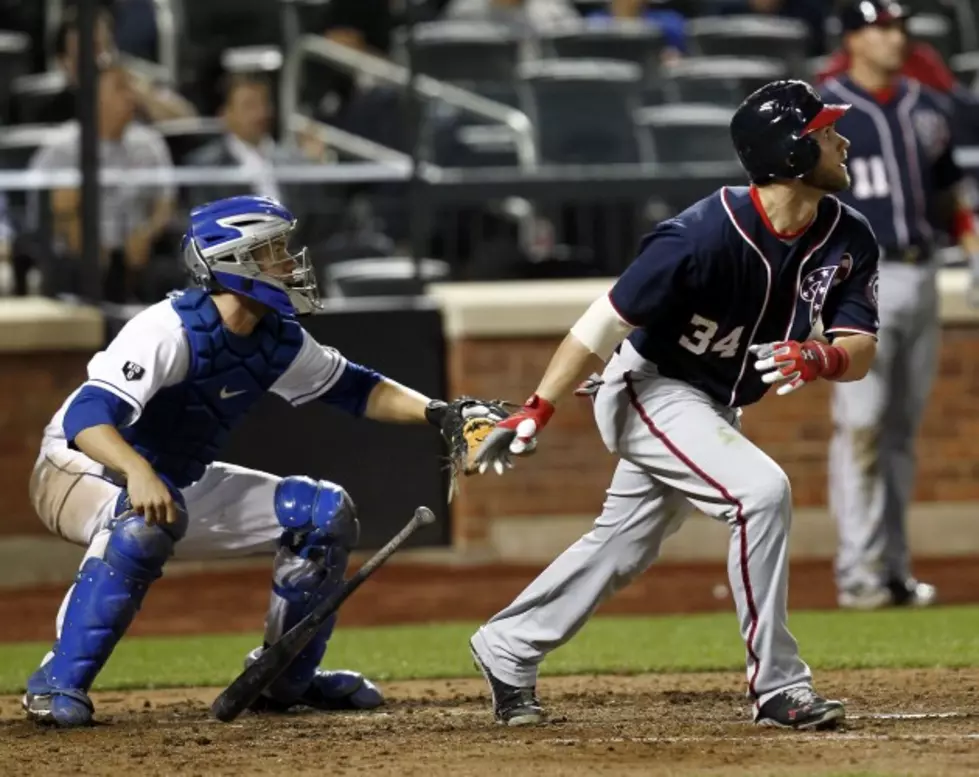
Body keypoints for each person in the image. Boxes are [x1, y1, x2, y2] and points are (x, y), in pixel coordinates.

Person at [470, 79, 881, 731]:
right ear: (789, 153)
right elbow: (598, 325)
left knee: (623, 545)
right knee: (760, 492)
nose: (841, 140)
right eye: (824, 132)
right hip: (650, 386)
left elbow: (858, 348)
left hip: (713, 403)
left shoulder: (847, 234)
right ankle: (777, 686)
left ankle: (508, 645)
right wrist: (536, 407)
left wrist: (821, 356)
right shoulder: (696, 234)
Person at [22, 194, 504, 728]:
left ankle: (284, 678)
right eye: (273, 250)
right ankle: (56, 683)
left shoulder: (274, 339)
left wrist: (441, 414)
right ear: (234, 260)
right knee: (143, 528)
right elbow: (87, 418)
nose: (290, 262)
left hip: (170, 482)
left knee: (324, 514)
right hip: (80, 469)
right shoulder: (167, 328)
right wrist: (136, 472)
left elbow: (355, 389)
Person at [817, 1, 979, 609]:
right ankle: (858, 571)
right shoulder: (823, 109)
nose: (895, 37)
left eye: (899, 26)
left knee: (902, 432)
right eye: (881, 27)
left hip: (922, 269)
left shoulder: (925, 105)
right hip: (857, 277)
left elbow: (947, 192)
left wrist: (971, 245)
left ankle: (893, 570)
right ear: (854, 38)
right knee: (861, 425)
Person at [29, 62, 177, 304]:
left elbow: (165, 204)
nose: (131, 96)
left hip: (136, 250)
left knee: (169, 271)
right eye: (120, 88)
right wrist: (91, 250)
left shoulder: (149, 144)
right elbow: (53, 214)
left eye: (131, 87)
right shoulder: (62, 148)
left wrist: (148, 233)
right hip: (79, 254)